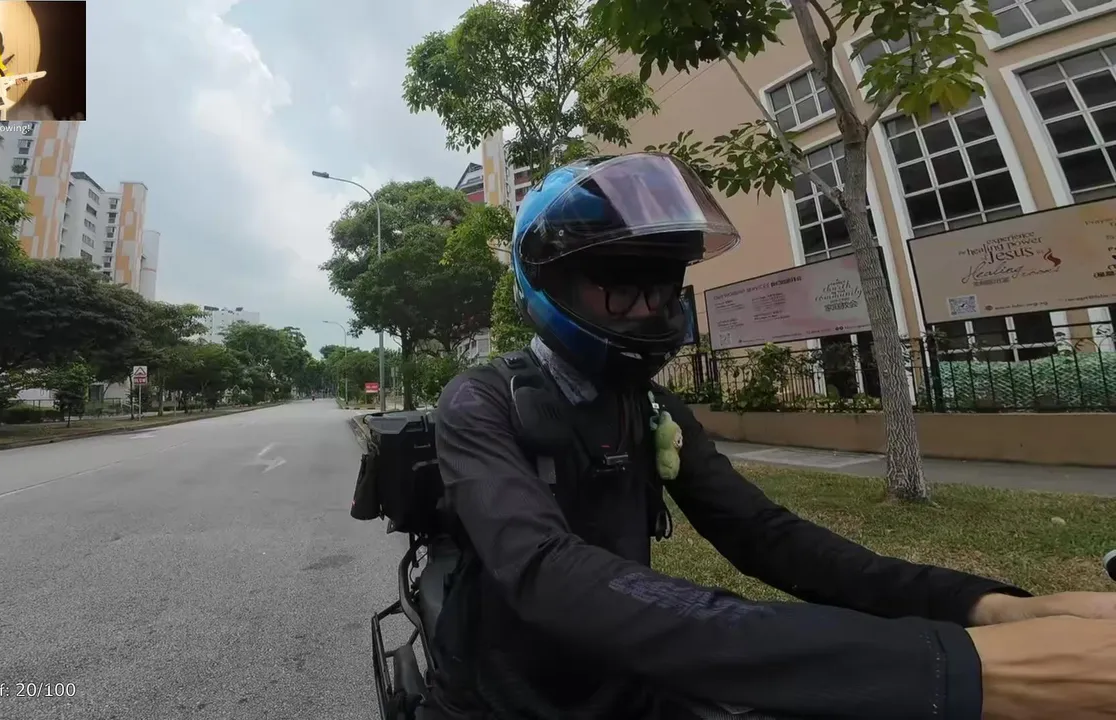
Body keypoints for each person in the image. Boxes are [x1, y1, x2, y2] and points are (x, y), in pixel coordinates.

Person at [430, 152, 1116, 720]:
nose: (648, 309)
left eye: (663, 286)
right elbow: (544, 571)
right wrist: (946, 670)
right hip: (503, 697)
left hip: (624, 678)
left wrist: (986, 607)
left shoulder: (650, 408)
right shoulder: (478, 403)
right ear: (549, 282)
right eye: (619, 284)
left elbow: (767, 536)